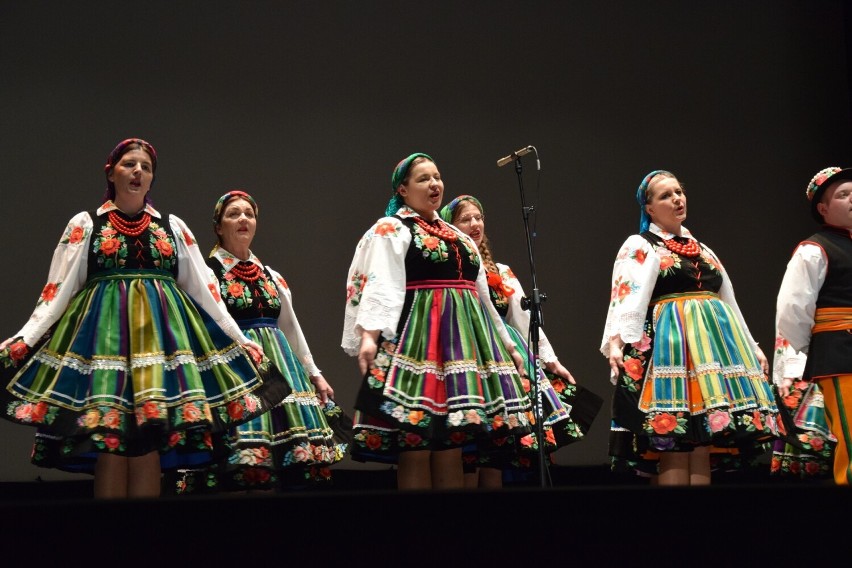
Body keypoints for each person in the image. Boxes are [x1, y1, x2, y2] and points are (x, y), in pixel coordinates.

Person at [0, 138, 287, 499]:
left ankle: (145, 545)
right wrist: (25, 338)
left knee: (150, 443)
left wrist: (240, 339)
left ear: (152, 180)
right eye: (129, 164)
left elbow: (206, 293)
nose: (138, 171)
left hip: (160, 351)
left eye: (146, 167)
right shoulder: (87, 224)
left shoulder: (173, 227)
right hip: (106, 349)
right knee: (111, 442)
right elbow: (57, 293)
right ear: (111, 172)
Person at [341, 152, 533, 490]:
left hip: (462, 349)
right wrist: (369, 336)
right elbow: (380, 283)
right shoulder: (393, 229)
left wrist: (507, 344)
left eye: (437, 177)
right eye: (423, 179)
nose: (434, 184)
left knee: (452, 444)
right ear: (402, 189)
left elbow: (482, 296)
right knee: (416, 443)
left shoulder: (458, 237)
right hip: (417, 344)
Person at [601, 169, 781, 486]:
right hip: (669, 351)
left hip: (709, 355)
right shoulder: (641, 244)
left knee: (702, 441)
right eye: (665, 195)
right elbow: (625, 295)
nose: (677, 198)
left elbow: (728, 300)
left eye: (679, 192)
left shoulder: (702, 248)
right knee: (674, 438)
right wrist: (616, 342)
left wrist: (752, 347)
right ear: (649, 208)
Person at [167, 190, 349, 494]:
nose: (242, 219)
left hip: (280, 370)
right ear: (218, 226)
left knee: (280, 464)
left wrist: (314, 373)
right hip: (234, 372)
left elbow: (291, 328)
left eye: (249, 214)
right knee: (241, 463)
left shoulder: (271, 276)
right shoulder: (207, 274)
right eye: (233, 214)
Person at [439, 194, 602, 488]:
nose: (475, 224)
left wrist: (550, 361)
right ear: (450, 226)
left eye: (479, 217)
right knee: (469, 448)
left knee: (499, 449)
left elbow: (523, 322)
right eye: (466, 219)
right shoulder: (449, 272)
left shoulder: (501, 272)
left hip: (505, 360)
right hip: (469, 355)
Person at [776, 166, 852, 485]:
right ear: (823, 209)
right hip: (842, 353)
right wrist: (811, 351)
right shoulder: (814, 249)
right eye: (843, 194)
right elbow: (792, 310)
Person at [769, 334, 835, 481]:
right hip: (806, 364)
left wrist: (791, 371)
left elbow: (796, 321)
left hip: (806, 367)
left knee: (801, 435)